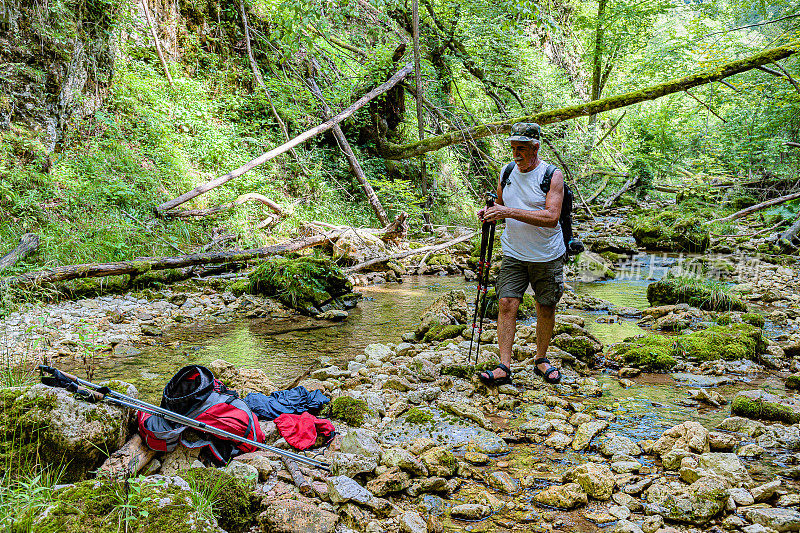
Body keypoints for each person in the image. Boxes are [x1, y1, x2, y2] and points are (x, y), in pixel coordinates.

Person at [476, 122, 564, 385]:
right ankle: (504, 365)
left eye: (522, 148)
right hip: (514, 252)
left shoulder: (552, 175)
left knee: (545, 306)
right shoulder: (508, 171)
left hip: (546, 254)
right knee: (506, 303)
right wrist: (490, 213)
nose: (517, 154)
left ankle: (541, 359)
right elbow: (502, 205)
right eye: (514, 148)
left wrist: (507, 212)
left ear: (536, 147)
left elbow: (551, 217)